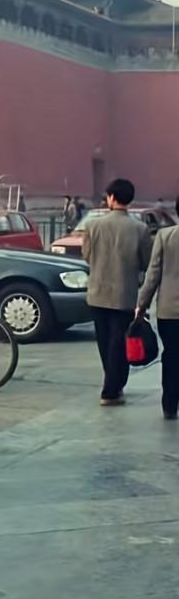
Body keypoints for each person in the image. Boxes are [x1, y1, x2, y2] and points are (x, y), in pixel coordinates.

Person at [80, 177, 155, 406]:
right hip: (125, 295)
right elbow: (147, 262)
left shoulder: (93, 226)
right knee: (118, 343)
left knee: (105, 343)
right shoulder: (140, 229)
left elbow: (87, 256)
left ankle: (112, 386)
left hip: (97, 293)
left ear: (111, 198)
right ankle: (112, 389)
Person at [133, 206, 179, 418]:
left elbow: (153, 275)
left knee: (171, 355)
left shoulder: (165, 236)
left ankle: (170, 404)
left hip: (169, 311)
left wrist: (142, 304)